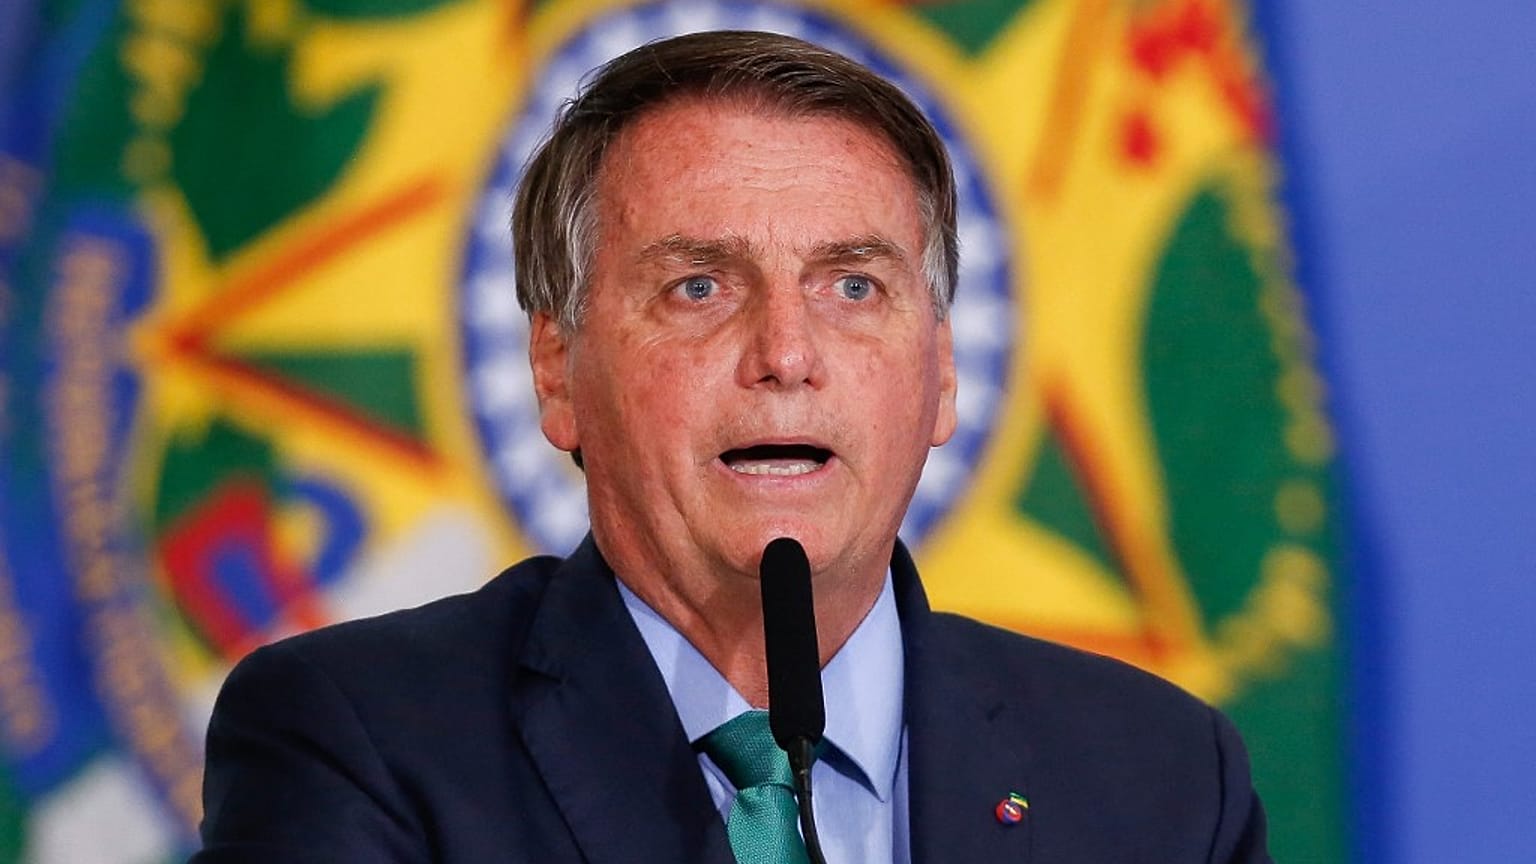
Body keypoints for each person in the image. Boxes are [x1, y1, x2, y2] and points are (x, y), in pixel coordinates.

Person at [192, 30, 1270, 864]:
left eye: (855, 286)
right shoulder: (360, 741)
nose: (787, 354)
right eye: (698, 286)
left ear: (940, 372)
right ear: (557, 367)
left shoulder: (1163, 777)